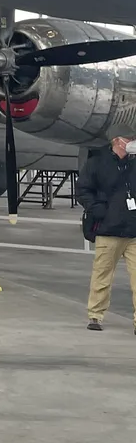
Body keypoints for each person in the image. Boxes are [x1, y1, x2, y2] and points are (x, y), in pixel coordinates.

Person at [77, 135, 136, 330]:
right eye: (130, 138)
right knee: (102, 275)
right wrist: (96, 209)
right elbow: (83, 189)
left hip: (133, 231)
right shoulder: (96, 164)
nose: (133, 142)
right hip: (108, 230)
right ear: (117, 141)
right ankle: (95, 315)